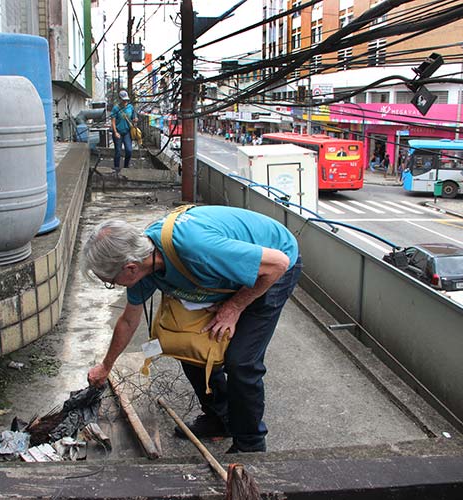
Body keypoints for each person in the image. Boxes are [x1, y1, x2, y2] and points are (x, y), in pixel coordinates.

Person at [83, 205, 302, 454]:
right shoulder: (144, 266)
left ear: (130, 268)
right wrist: (106, 365)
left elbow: (277, 265)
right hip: (233, 272)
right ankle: (220, 419)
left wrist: (234, 307)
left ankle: (250, 444)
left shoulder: (196, 248)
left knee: (241, 361)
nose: (112, 286)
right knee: (188, 344)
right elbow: (128, 321)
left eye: (110, 282)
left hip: (273, 267)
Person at [111, 90, 138, 173]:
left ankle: (126, 166)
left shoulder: (130, 107)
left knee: (129, 150)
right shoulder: (116, 108)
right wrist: (115, 132)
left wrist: (135, 120)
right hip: (118, 132)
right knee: (118, 152)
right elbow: (113, 121)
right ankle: (116, 168)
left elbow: (134, 118)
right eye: (123, 100)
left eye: (126, 100)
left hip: (127, 132)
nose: (125, 101)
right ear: (120, 99)